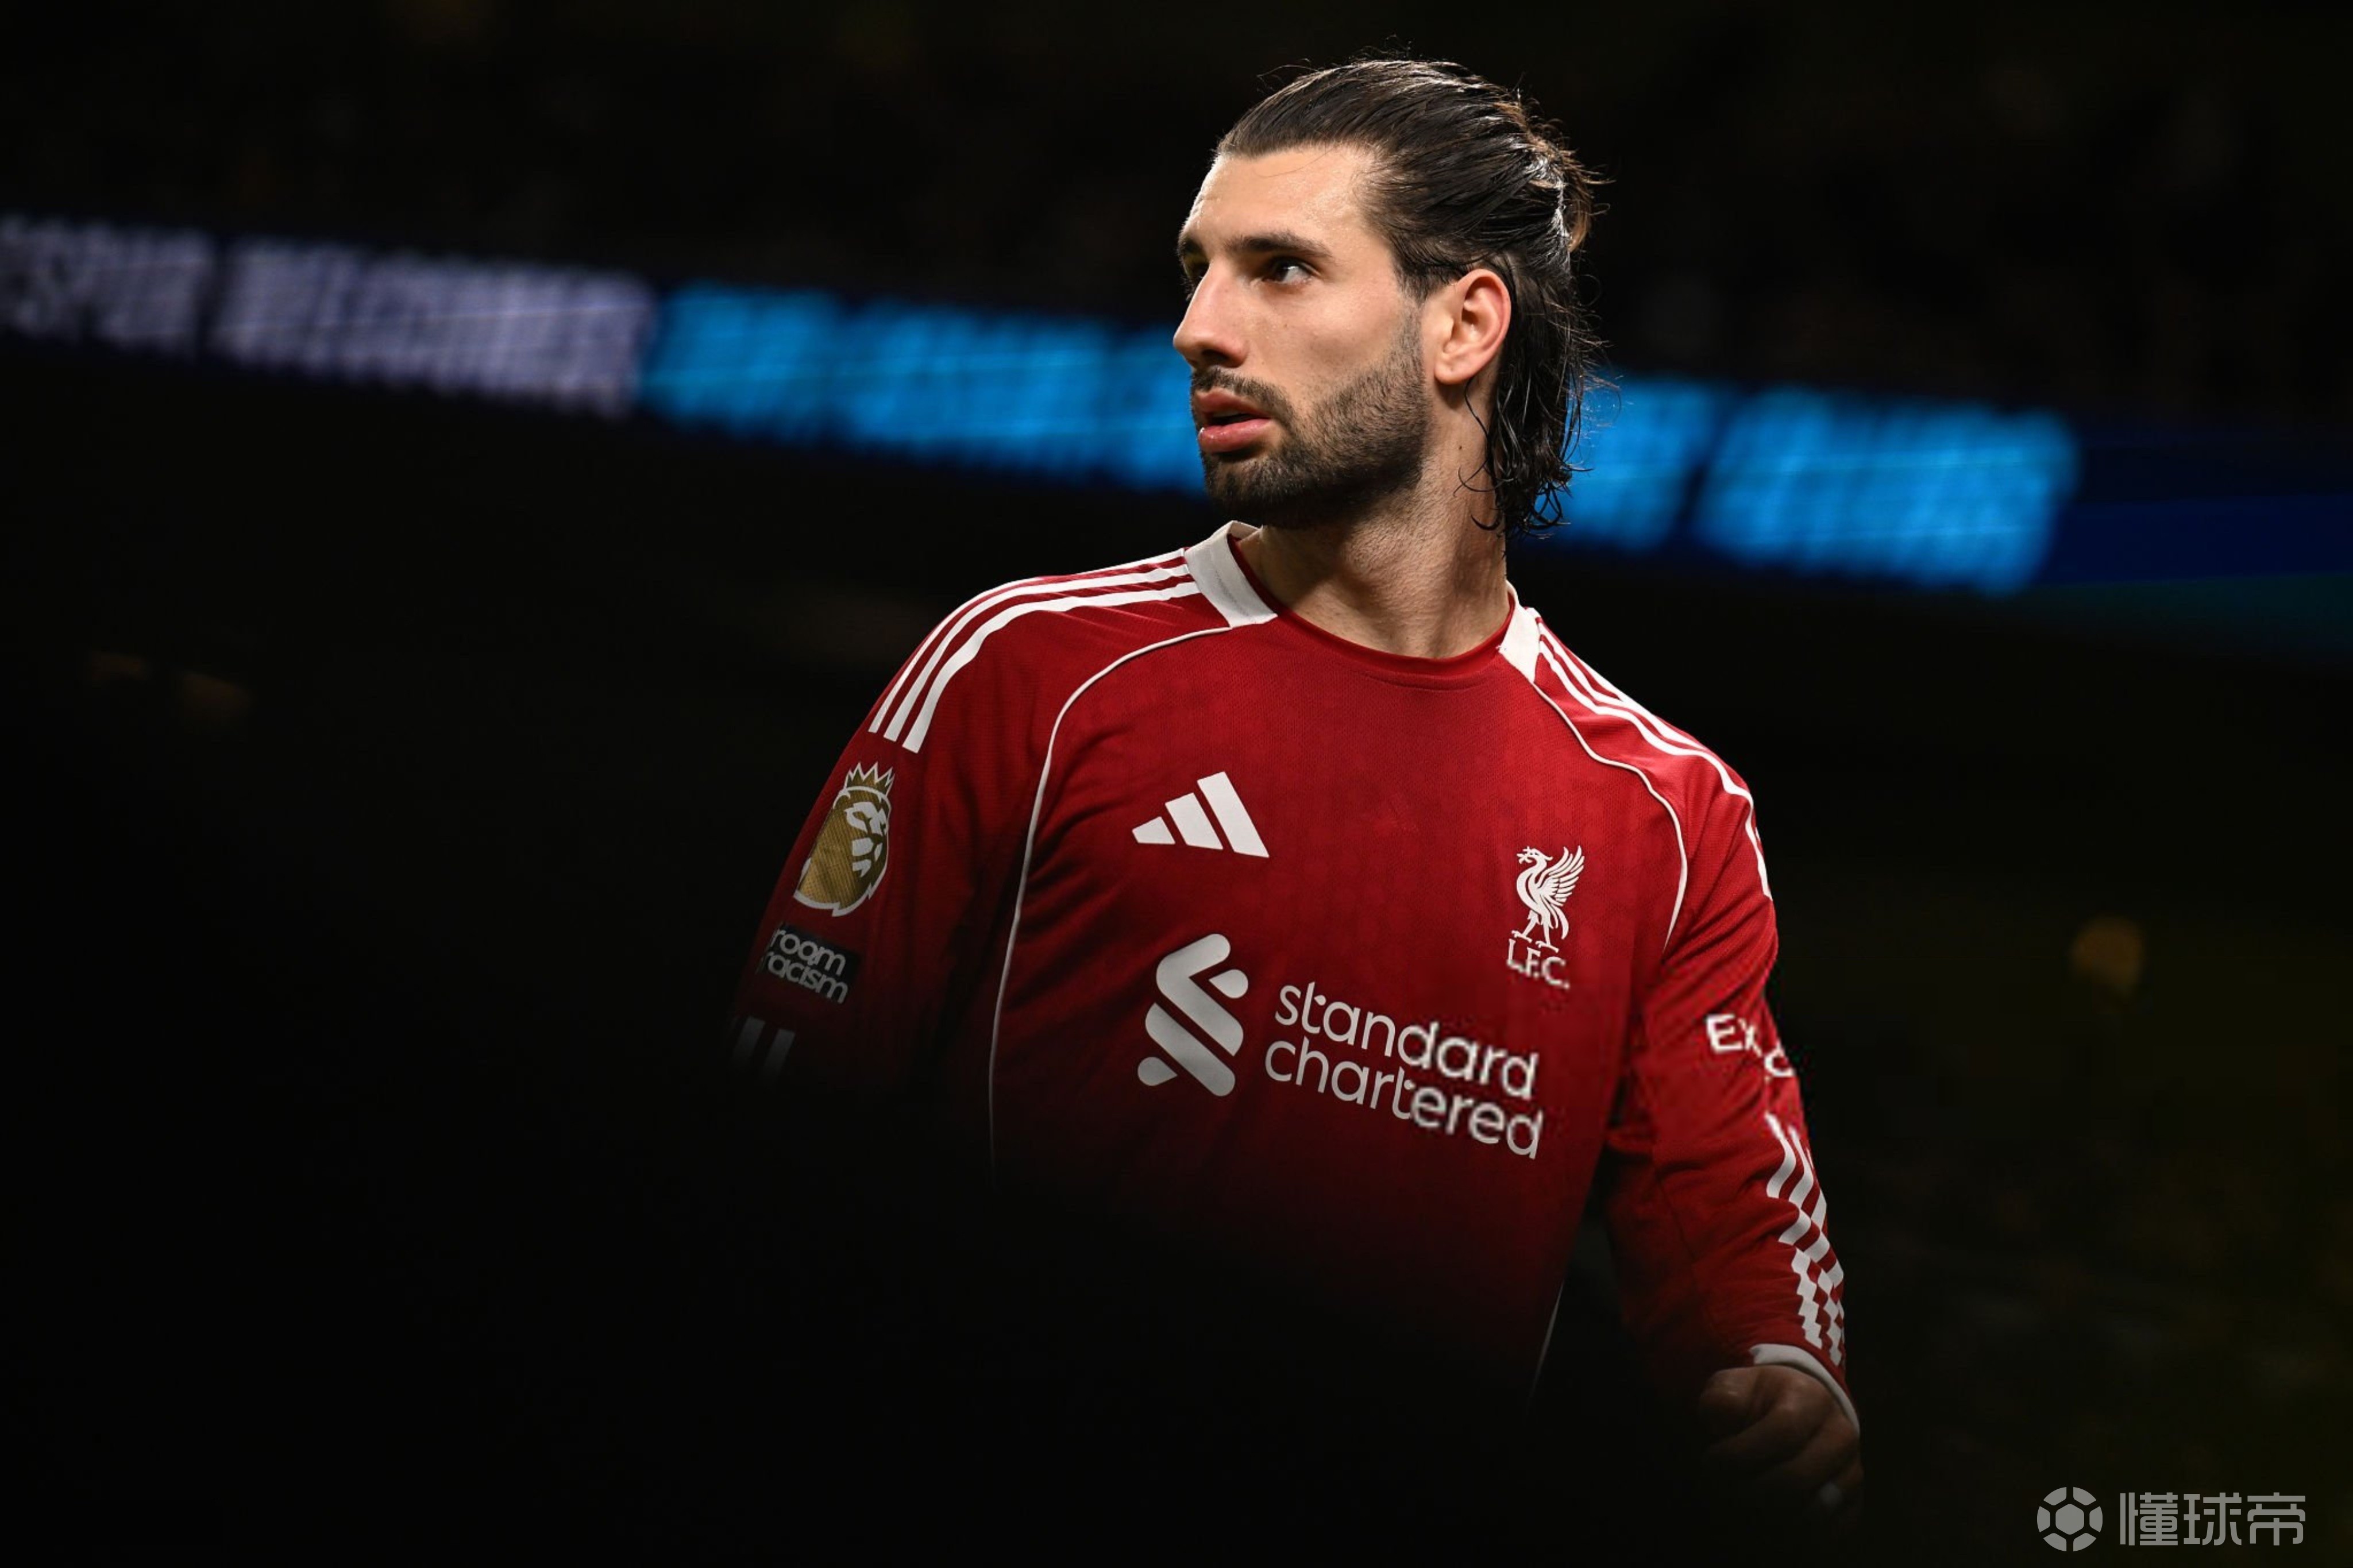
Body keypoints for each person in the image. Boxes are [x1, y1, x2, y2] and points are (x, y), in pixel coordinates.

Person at [729, 55, 1860, 1543]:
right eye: (1197, 271)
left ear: (1464, 324)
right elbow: (773, 1129)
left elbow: (1734, 1224)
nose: (1200, 328)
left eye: (1279, 269)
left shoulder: (1668, 813)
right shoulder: (1026, 669)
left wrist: (1783, 1378)